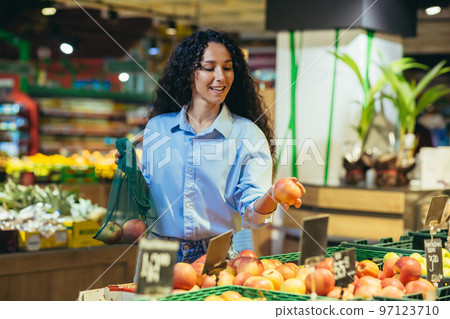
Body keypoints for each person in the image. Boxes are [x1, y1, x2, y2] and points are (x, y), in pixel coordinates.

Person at [116, 29, 305, 264]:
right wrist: (132, 171)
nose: (221, 77)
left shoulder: (246, 133)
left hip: (215, 253)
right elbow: (149, 198)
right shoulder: (158, 128)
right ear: (189, 73)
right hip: (158, 250)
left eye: (227, 67)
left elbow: (253, 215)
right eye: (209, 67)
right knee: (152, 302)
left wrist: (273, 195)